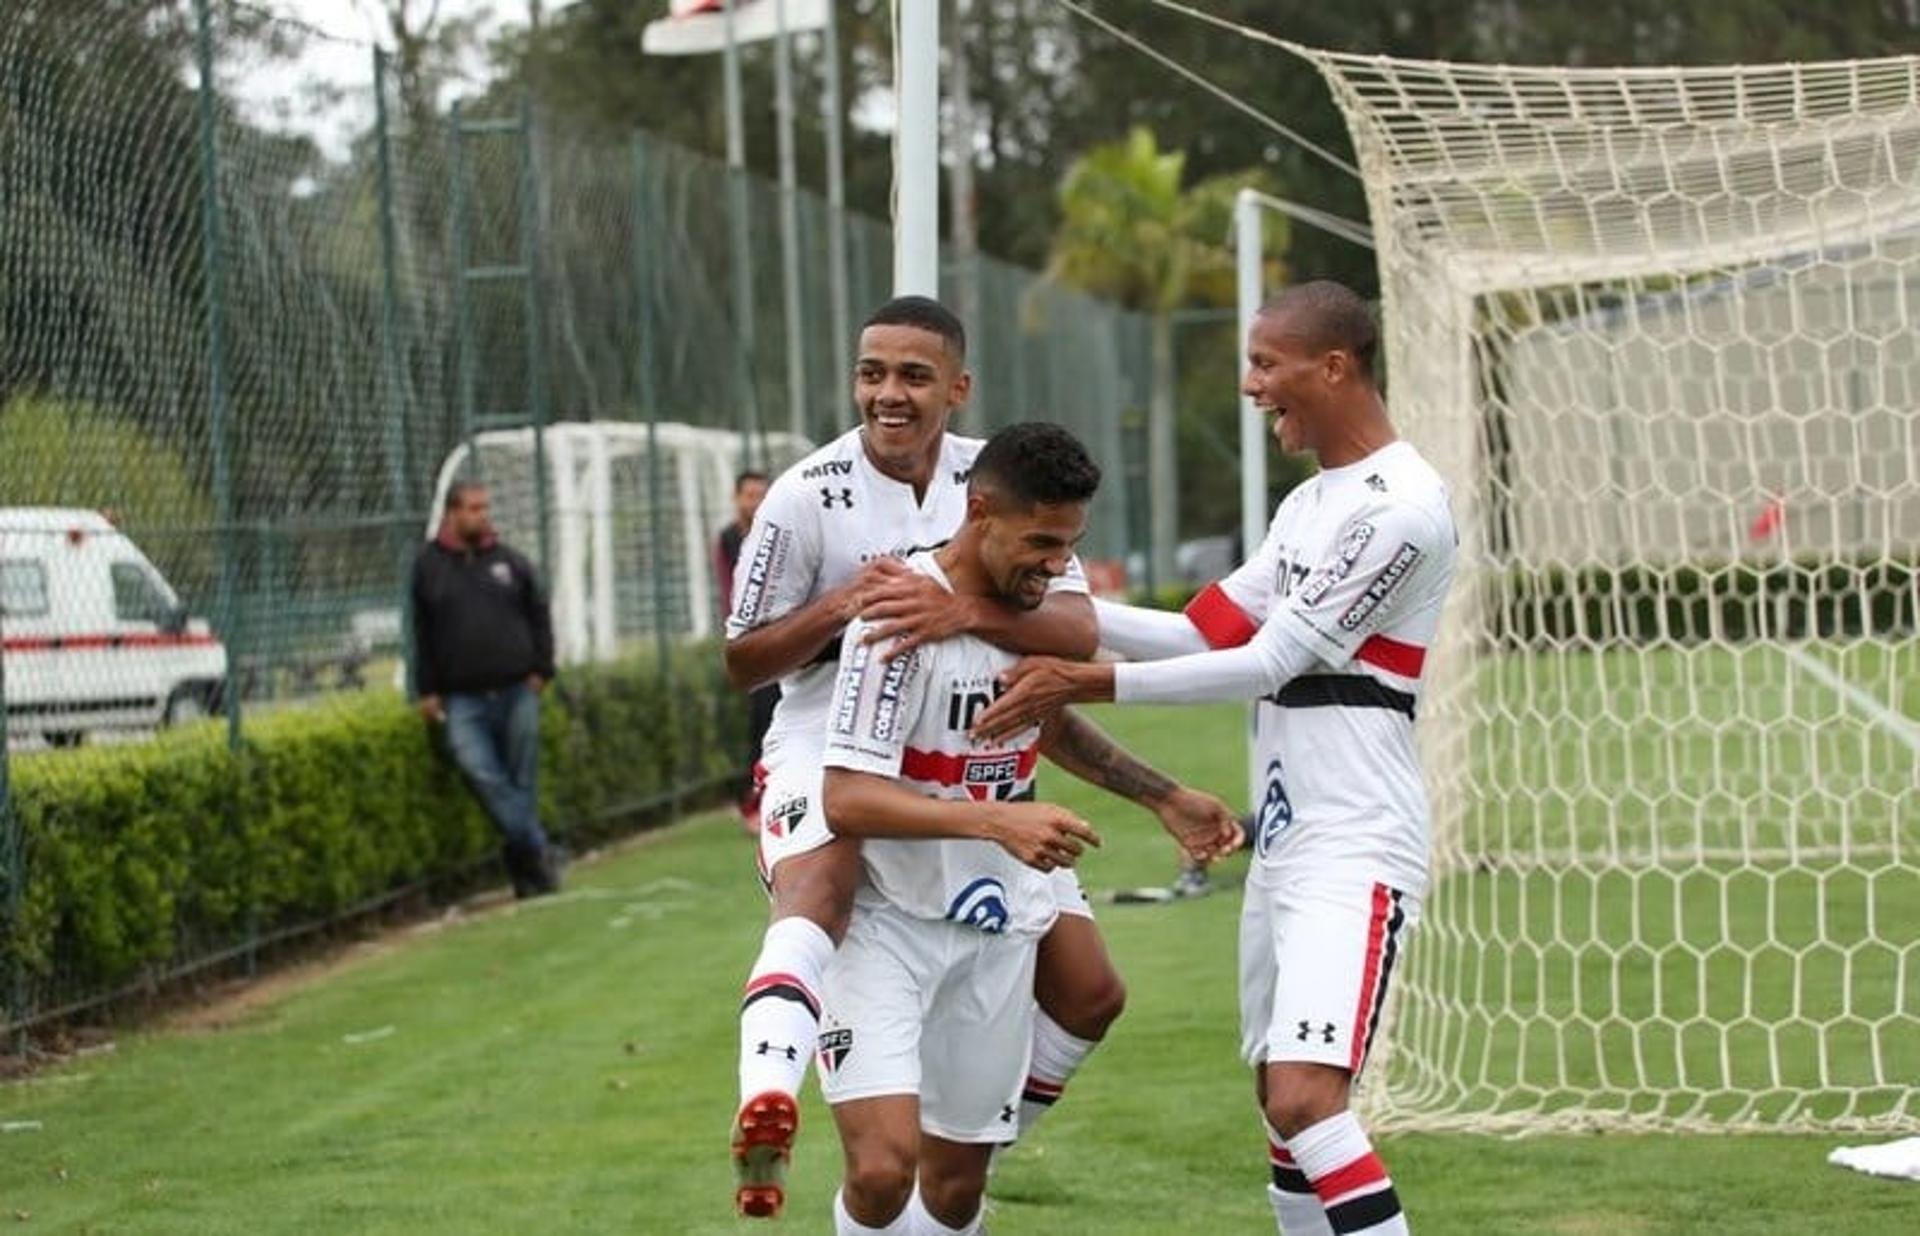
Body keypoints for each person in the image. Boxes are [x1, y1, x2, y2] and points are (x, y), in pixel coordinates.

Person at [724, 295, 1228, 1219]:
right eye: (872, 372)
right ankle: (769, 1088)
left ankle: (967, 1142)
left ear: (957, 388)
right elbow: (745, 666)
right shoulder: (809, 501)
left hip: (980, 815)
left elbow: (1060, 656)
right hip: (833, 737)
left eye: (914, 375)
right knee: (826, 887)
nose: (889, 393)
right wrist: (846, 607)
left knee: (1084, 999)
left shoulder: (1007, 483)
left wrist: (1159, 793)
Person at [970, 282, 1457, 1236]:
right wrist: (1012, 597)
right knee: (1282, 1110)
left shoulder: (1403, 508)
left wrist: (1081, 677)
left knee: (1311, 1100)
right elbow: (1204, 630)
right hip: (1287, 844)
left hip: (1355, 842)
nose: (1250, 383)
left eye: (1267, 363)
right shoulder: (1311, 505)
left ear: (1334, 366)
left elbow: (1269, 661)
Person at [818, 422, 1241, 1236]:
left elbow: (1040, 718)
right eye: (1043, 543)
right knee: (879, 1174)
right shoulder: (896, 620)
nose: (1058, 565)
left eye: (1071, 545)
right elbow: (846, 799)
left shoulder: (1021, 606)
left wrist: (1163, 796)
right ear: (980, 511)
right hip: (884, 924)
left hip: (995, 922)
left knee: (953, 1191)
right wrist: (995, 818)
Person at [412, 481, 562, 899]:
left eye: (486, 507)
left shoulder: (510, 561)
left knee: (520, 780)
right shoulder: (428, 566)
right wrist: (426, 690)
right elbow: (420, 632)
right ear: (452, 513)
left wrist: (542, 669)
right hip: (462, 699)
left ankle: (529, 877)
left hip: (518, 689)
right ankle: (538, 848)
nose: (483, 515)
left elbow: (539, 612)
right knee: (481, 772)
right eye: (474, 508)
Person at [716, 469, 778, 832]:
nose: (754, 502)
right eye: (749, 495)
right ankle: (754, 803)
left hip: (785, 638)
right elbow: (727, 590)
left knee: (780, 719)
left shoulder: (778, 531)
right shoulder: (727, 539)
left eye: (761, 495)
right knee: (759, 723)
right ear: (736, 498)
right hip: (752, 646)